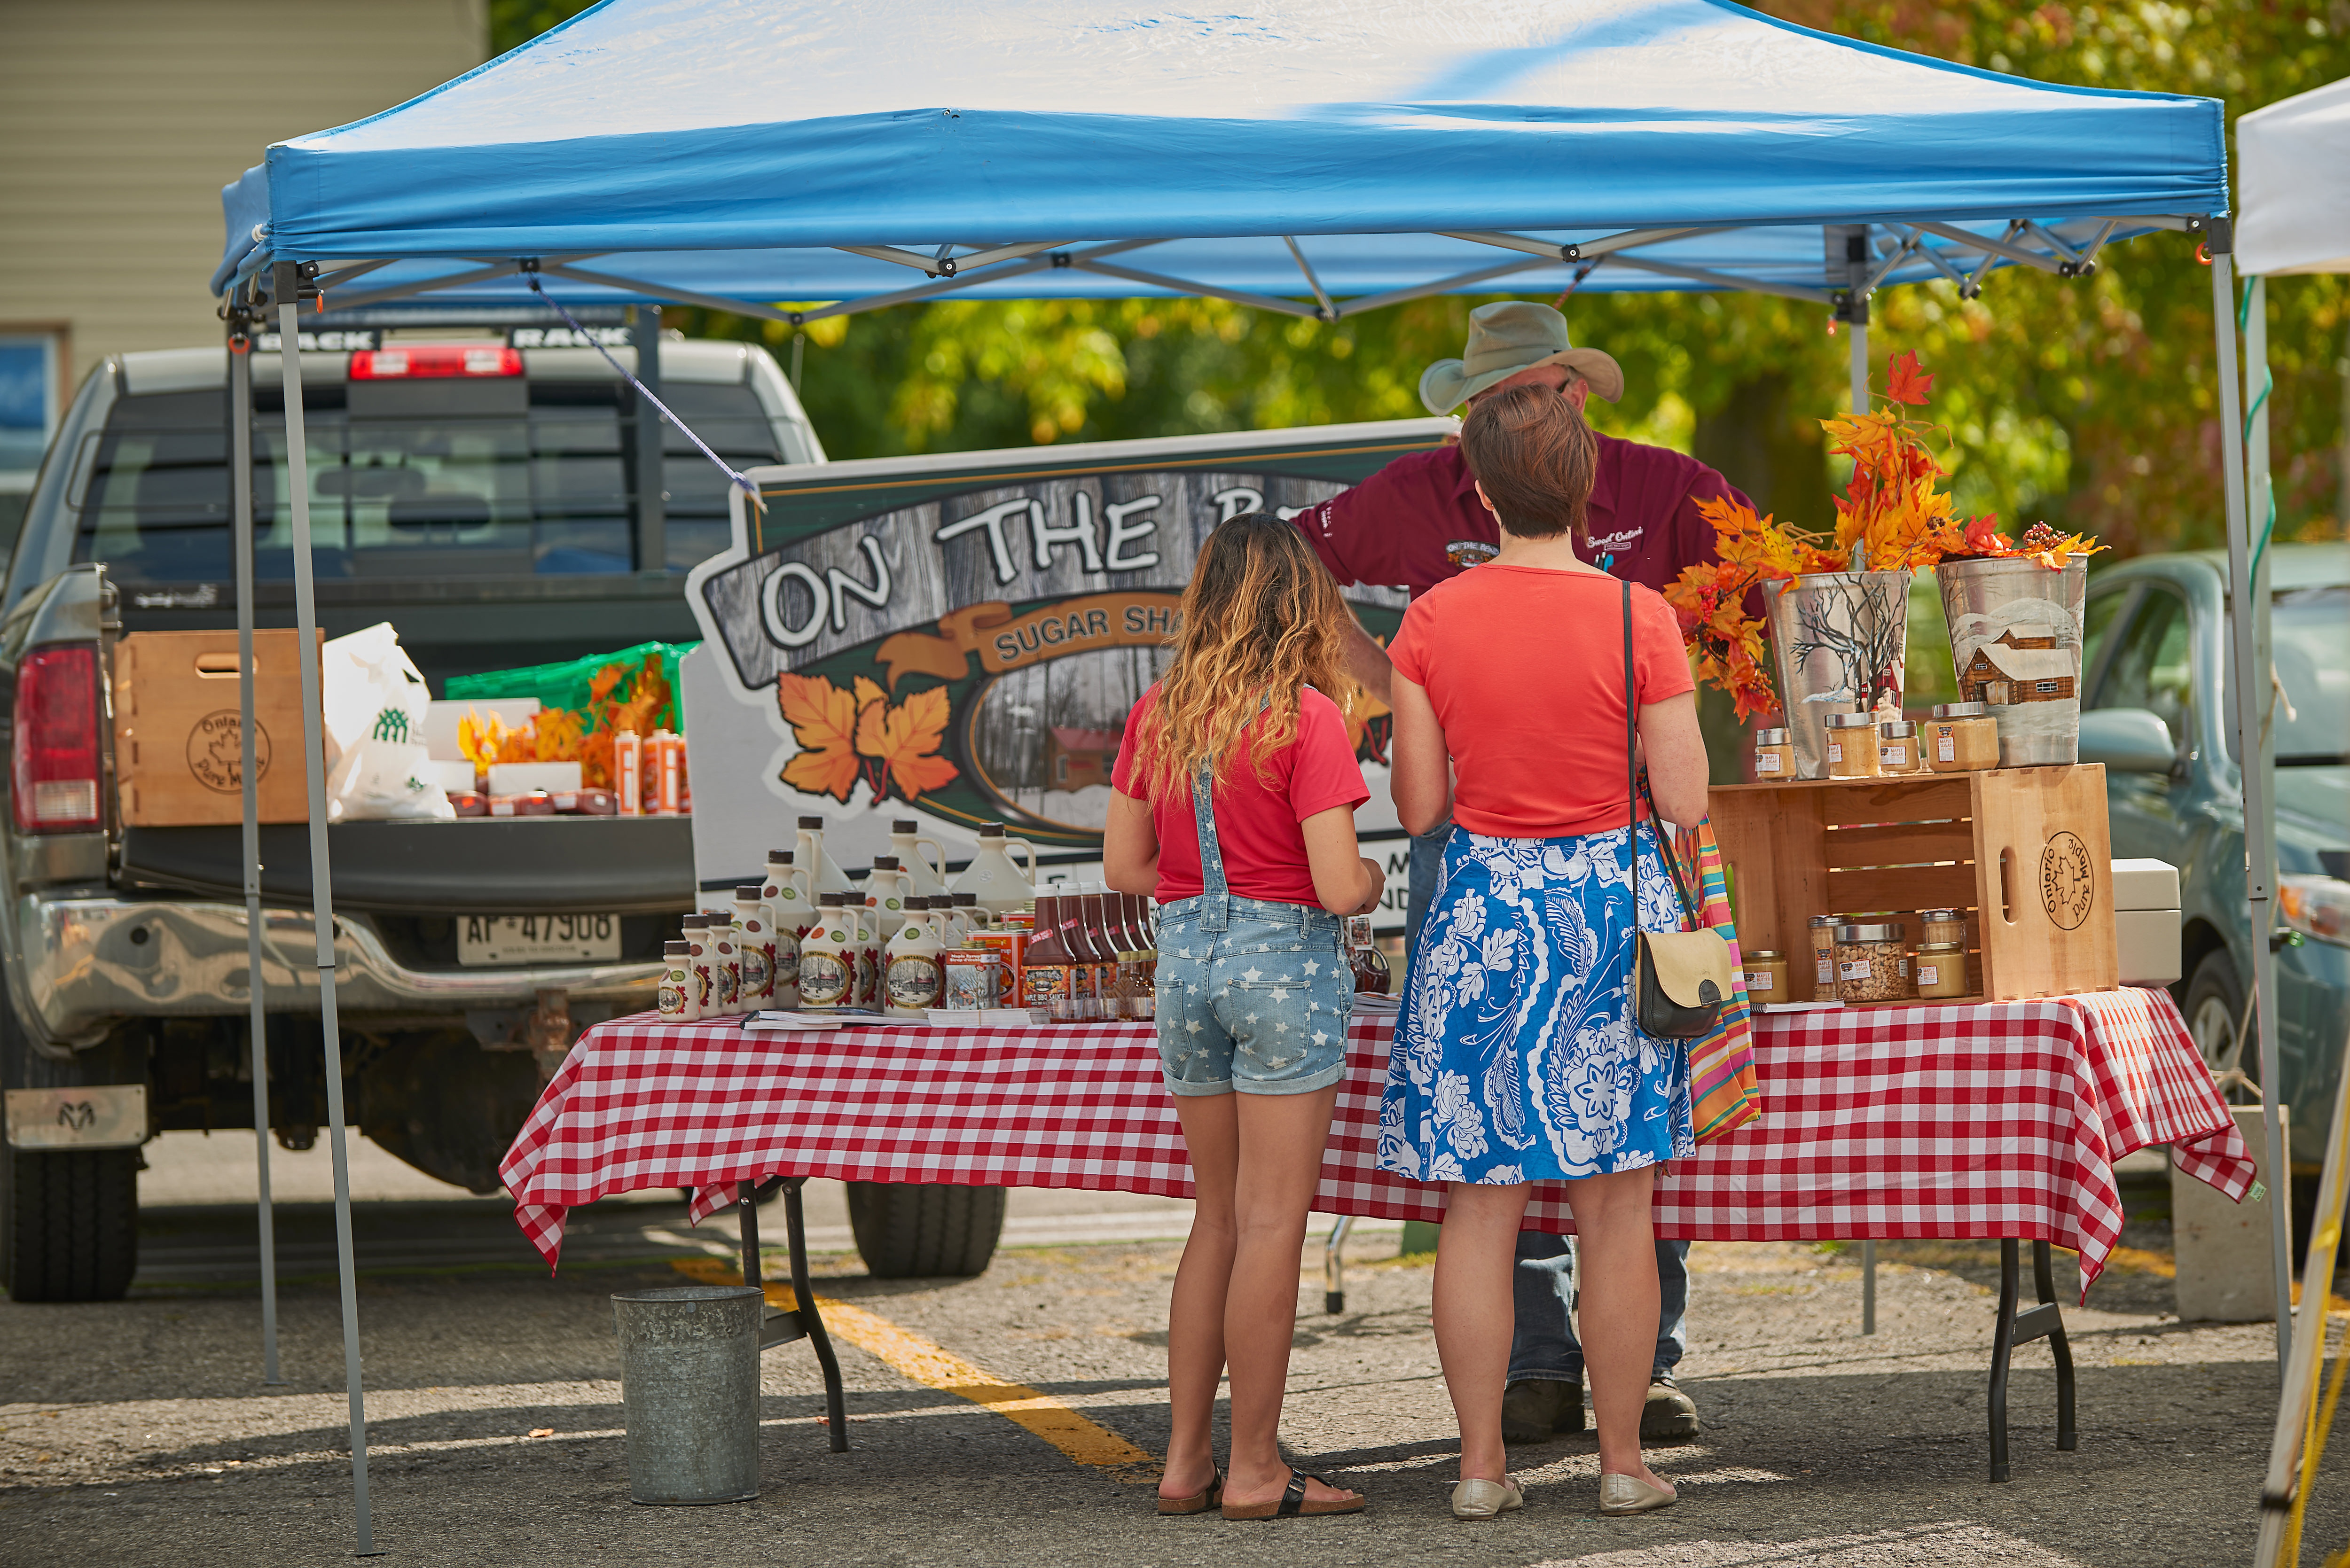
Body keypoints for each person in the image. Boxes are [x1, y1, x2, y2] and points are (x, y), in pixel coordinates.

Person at [1292, 299, 1741, 1446]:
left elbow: (1765, 577)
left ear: (1571, 397)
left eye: (1513, 402)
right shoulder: (1620, 604)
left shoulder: (1662, 491)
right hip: (1588, 867)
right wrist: (1383, 682)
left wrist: (1424, 700)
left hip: (1494, 877)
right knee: (1615, 1165)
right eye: (1482, 407)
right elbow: (1686, 798)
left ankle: (1564, 1412)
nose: (1493, 425)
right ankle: (1559, 1383)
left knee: (1495, 1178)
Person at [1375, 383, 1710, 1519]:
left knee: (1480, 1209)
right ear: (1585, 488)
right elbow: (1685, 797)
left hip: (1482, 918)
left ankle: (1480, 1468)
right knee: (1617, 1210)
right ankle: (1620, 1463)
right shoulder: (1638, 615)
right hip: (1609, 919)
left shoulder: (1430, 622)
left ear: (1478, 489)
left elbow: (1421, 808)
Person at [1104, 513, 1386, 1522]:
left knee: (1215, 1217)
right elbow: (1336, 884)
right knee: (1272, 1222)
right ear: (1299, 605)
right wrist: (1370, 879)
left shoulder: (1161, 712)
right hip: (1283, 971)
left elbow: (1126, 868)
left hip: (1185, 969)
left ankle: (1185, 1461)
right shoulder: (1308, 717)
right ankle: (1258, 1468)